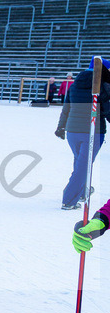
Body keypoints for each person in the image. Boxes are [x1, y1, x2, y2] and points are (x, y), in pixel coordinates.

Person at [54, 59, 110, 209]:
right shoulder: (102, 87)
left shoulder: (74, 85)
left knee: (80, 163)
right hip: (92, 132)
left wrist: (61, 127)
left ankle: (82, 191)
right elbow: (107, 110)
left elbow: (66, 108)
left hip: (73, 131)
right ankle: (68, 199)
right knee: (83, 166)